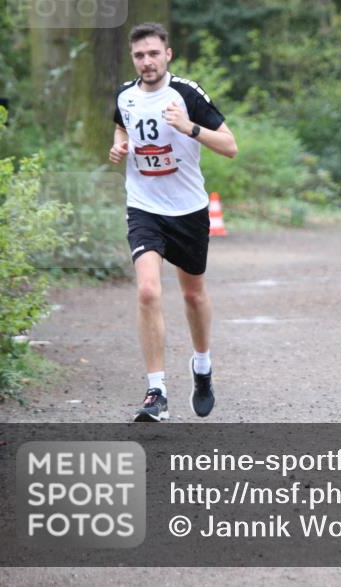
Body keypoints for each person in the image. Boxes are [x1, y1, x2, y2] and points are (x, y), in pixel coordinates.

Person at [108, 22, 237, 422]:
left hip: (188, 210)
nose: (146, 61)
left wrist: (189, 128)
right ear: (133, 59)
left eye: (152, 53)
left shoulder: (186, 93)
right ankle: (156, 391)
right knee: (148, 291)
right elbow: (120, 124)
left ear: (168, 54)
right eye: (139, 55)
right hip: (144, 207)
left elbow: (230, 146)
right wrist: (117, 145)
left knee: (192, 295)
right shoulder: (126, 96)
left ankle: (202, 366)